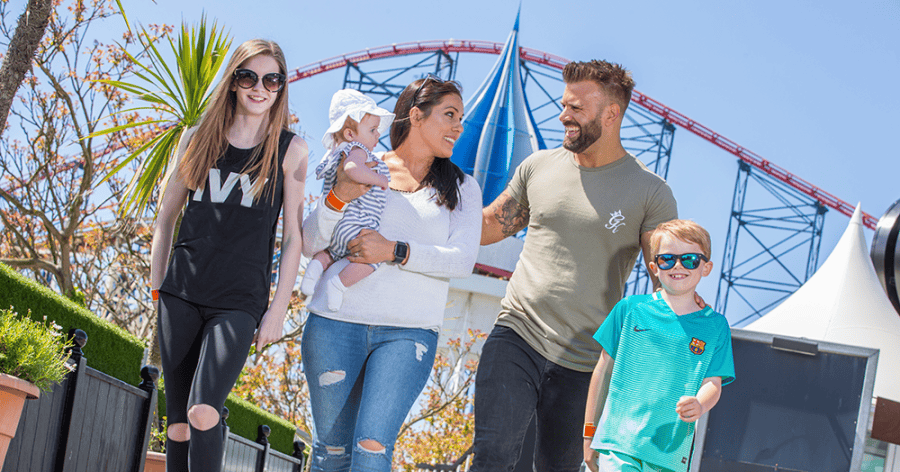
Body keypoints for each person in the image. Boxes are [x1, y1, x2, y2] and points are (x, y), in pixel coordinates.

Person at [472, 59, 678, 471]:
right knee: (492, 459)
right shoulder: (539, 167)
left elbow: (666, 274)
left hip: (585, 362)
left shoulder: (651, 193)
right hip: (518, 334)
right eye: (564, 105)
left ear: (611, 114)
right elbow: (490, 225)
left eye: (576, 108)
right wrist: (420, 204)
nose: (563, 115)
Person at [300, 76, 482, 472]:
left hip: (408, 334)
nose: (459, 127)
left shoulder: (464, 189)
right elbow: (312, 240)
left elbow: (461, 261)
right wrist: (338, 197)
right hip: (335, 325)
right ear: (415, 115)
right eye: (449, 115)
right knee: (331, 451)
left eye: (461, 118)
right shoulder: (361, 163)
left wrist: (394, 251)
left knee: (372, 449)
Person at [149, 39, 308, 472]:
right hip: (181, 291)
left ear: (281, 87)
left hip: (239, 301)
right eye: (249, 77)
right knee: (178, 425)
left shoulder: (291, 150)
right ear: (234, 82)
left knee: (204, 411)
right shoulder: (197, 138)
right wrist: (157, 282)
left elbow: (293, 238)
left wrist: (277, 312)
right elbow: (166, 217)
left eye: (272, 79)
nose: (260, 88)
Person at [583, 219, 735, 472]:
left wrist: (700, 403)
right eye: (667, 259)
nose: (678, 266)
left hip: (671, 455)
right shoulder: (629, 309)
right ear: (654, 267)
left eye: (690, 260)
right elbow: (602, 371)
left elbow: (713, 383)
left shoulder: (717, 326)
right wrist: (589, 434)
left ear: (706, 267)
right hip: (618, 443)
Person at [299, 89, 395, 311]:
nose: (378, 136)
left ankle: (316, 267)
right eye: (372, 130)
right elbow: (353, 169)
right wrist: (378, 178)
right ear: (351, 134)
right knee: (372, 259)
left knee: (331, 254)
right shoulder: (357, 150)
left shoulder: (335, 154)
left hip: (337, 226)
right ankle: (339, 285)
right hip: (355, 224)